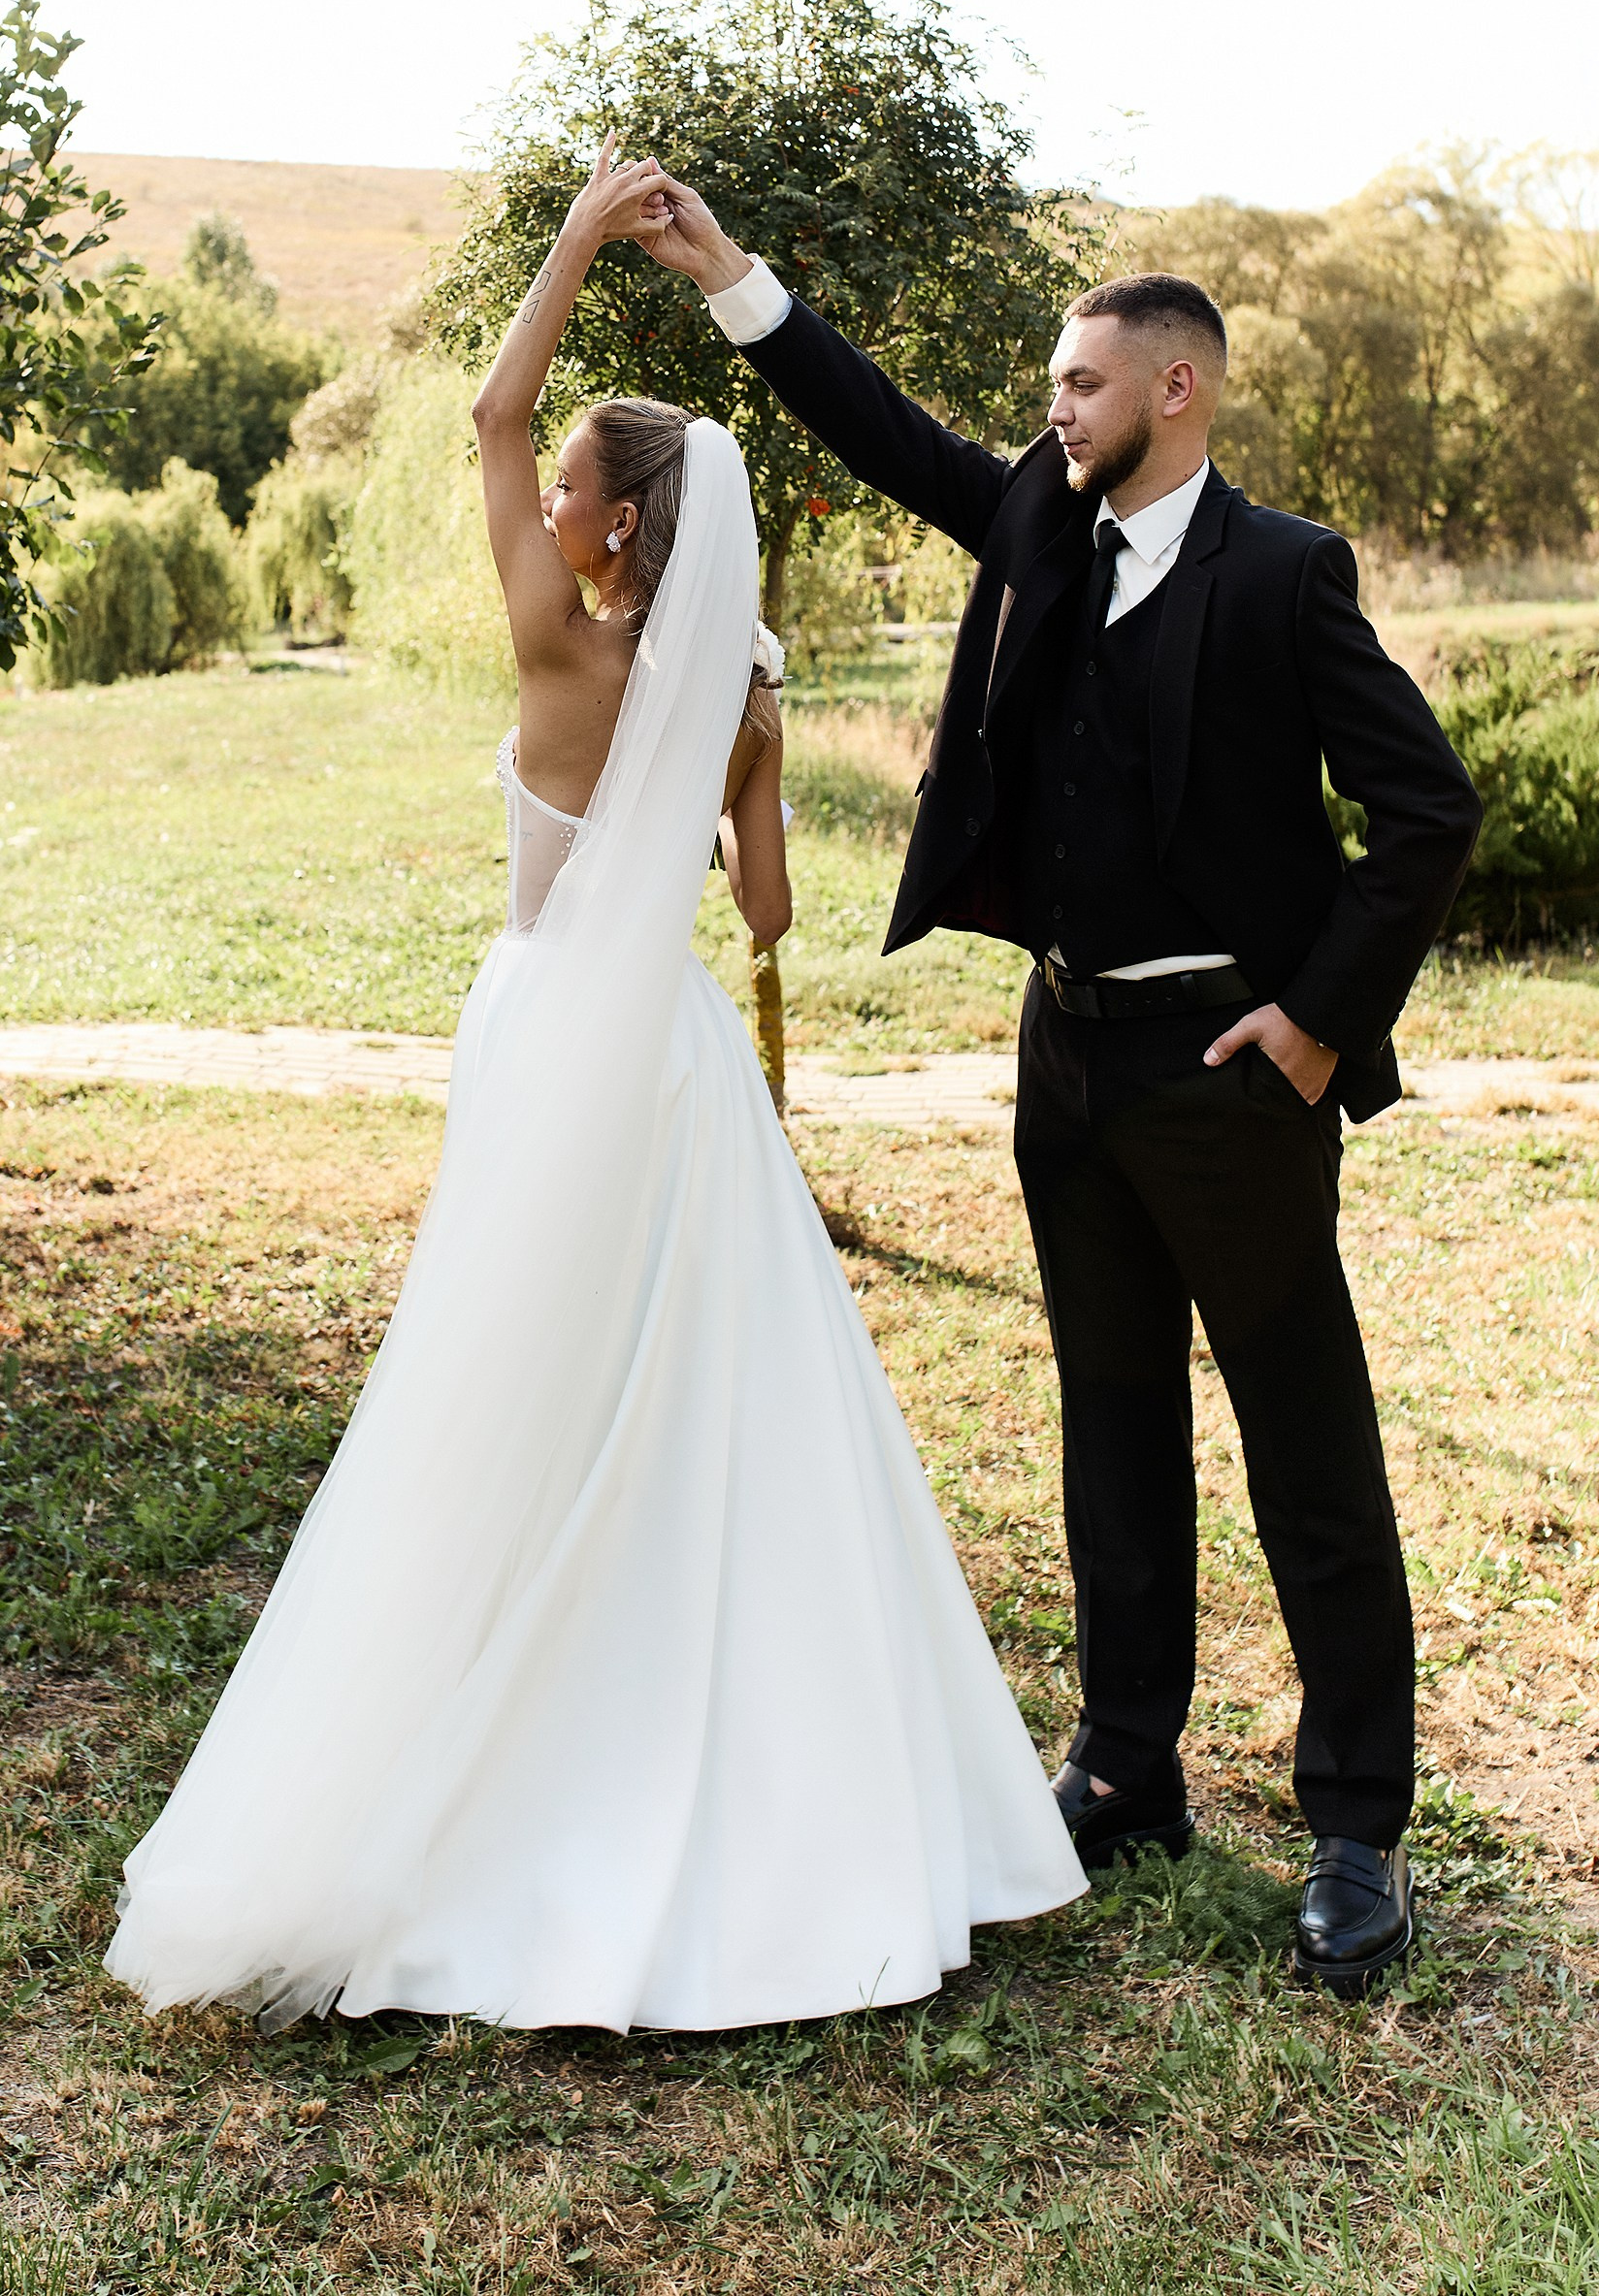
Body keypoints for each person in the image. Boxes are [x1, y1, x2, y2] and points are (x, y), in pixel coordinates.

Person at [102, 139, 1084, 2034]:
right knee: (711, 1395)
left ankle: (522, 1730)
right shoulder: (738, 695)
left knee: (507, 1384)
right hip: (681, 1070)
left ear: (618, 532)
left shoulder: (555, 649)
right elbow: (768, 915)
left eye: (568, 488)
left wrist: (569, 241)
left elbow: (489, 409)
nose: (543, 496)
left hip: (555, 1033)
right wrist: (746, 746)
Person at [632, 180, 1482, 2000]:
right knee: (1112, 1416)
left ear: (1179, 390)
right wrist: (730, 281)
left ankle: (1355, 1830)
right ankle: (1127, 1766)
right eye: (1052, 384)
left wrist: (1316, 1027)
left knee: (1305, 1440)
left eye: (1083, 384)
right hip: (1067, 1056)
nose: (1054, 409)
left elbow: (1430, 811)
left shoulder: (1286, 574)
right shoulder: (1039, 519)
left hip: (1231, 1070)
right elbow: (886, 432)